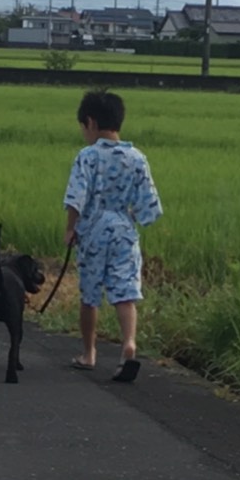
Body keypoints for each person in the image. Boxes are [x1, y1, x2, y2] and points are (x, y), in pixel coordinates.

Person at [63, 89, 163, 382]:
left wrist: (70, 228)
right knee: (125, 292)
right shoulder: (137, 158)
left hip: (93, 229)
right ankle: (128, 344)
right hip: (123, 229)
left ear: (90, 123)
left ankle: (89, 353)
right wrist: (129, 218)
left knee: (90, 295)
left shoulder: (88, 156)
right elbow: (150, 206)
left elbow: (75, 197)